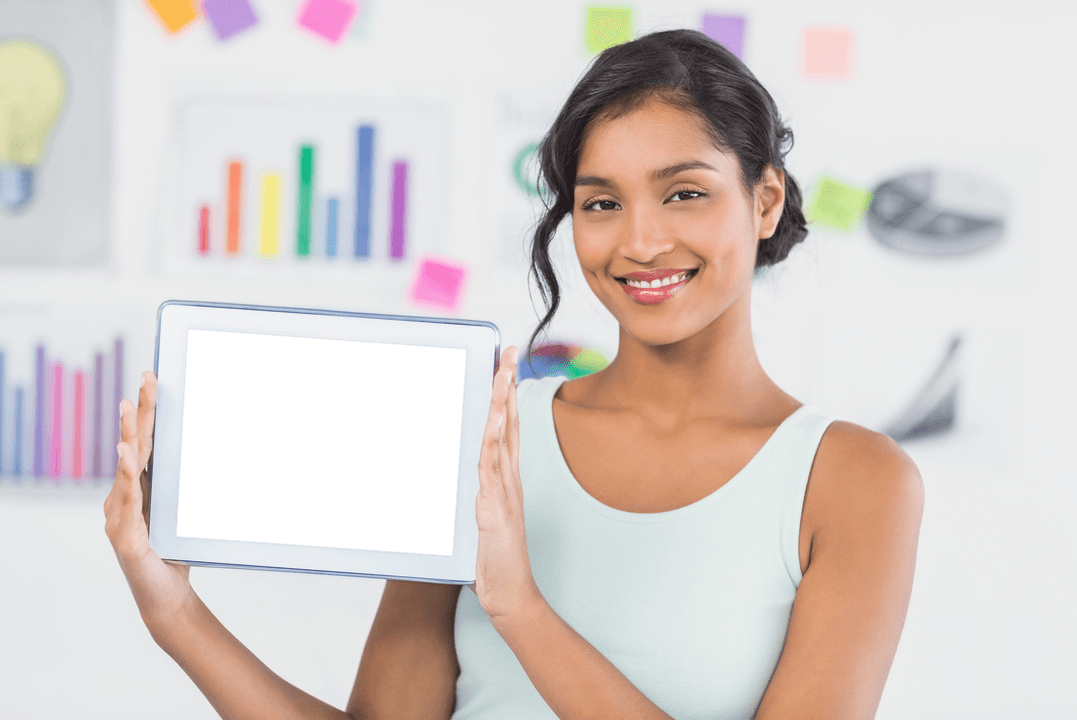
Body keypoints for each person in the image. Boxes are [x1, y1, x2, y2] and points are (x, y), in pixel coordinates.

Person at [105, 28, 923, 720]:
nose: (639, 241)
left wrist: (520, 608)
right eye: (601, 203)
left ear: (766, 200)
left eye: (683, 193)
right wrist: (171, 608)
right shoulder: (480, 436)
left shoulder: (853, 481)